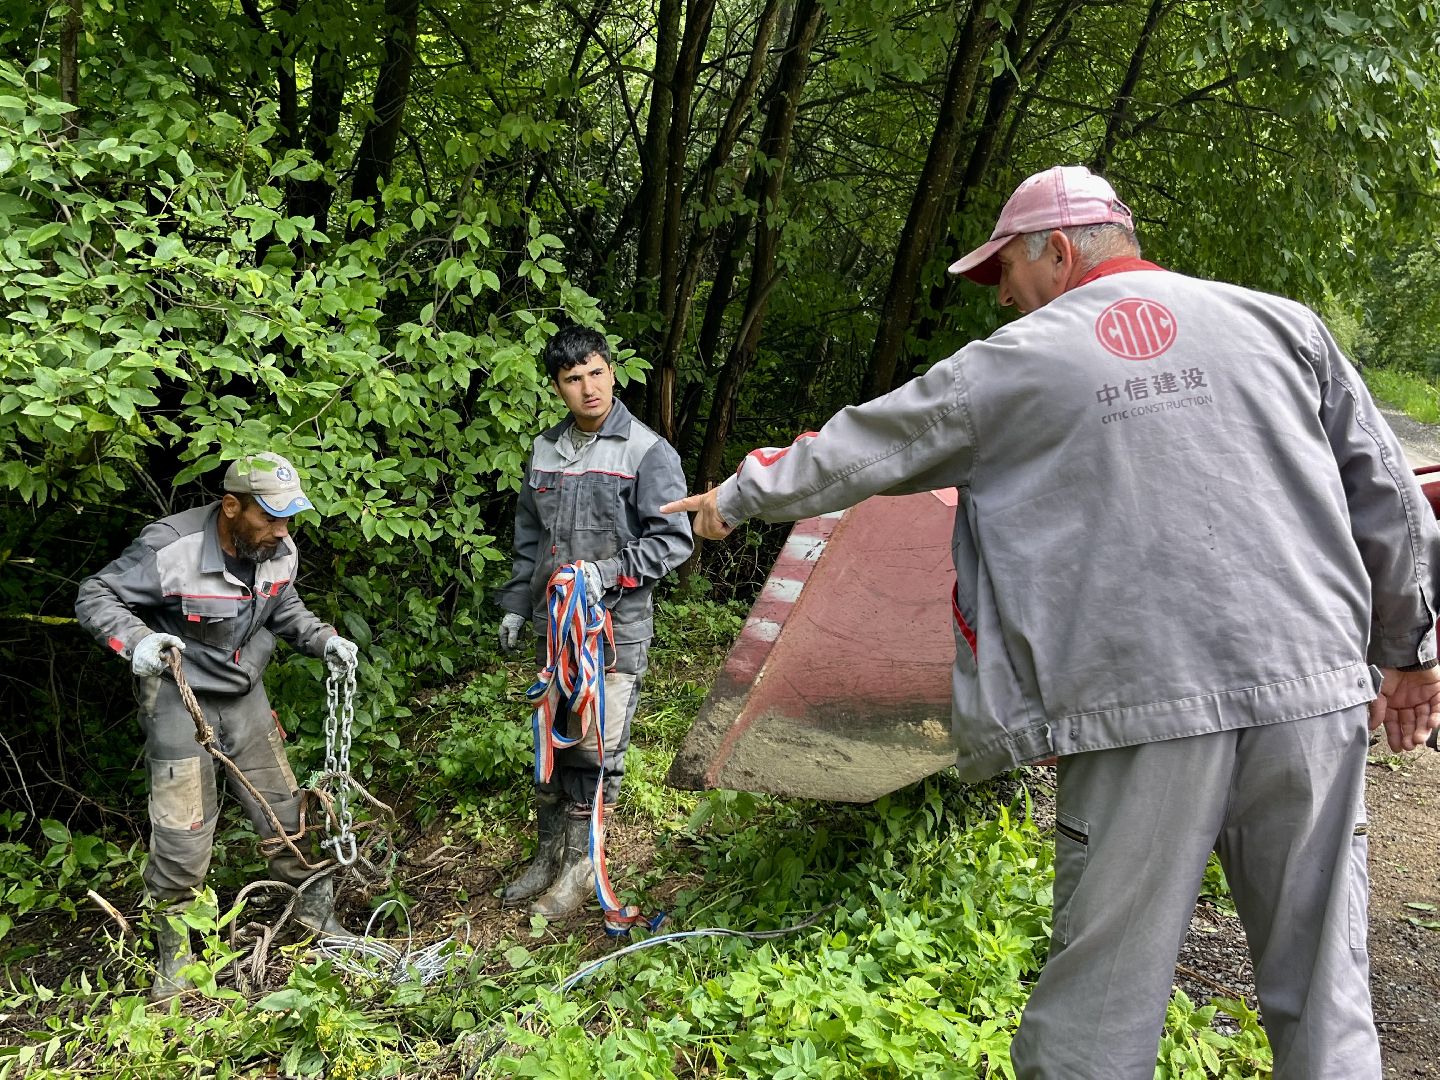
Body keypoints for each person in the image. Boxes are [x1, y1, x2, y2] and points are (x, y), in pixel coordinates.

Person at [662, 165, 1440, 1079]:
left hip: (1133, 710)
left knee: (1101, 1005)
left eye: (1005, 276)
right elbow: (1387, 495)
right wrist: (1411, 652)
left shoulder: (1012, 366)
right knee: (1325, 994)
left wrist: (735, 497)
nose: (1002, 301)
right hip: (1311, 693)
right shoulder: (1284, 326)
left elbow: (857, 449)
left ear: (1058, 249)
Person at [76, 451, 362, 1000]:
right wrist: (137, 644)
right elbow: (95, 594)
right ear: (231, 506)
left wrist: (324, 639)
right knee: (183, 830)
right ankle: (176, 961)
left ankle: (316, 921)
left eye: (289, 518)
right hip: (177, 696)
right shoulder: (171, 549)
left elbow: (283, 607)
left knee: (285, 808)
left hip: (243, 691)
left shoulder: (278, 546)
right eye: (269, 517)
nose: (282, 531)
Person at [495, 324, 693, 917]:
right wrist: (513, 604)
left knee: (594, 749)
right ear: (557, 387)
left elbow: (672, 541)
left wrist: (605, 574)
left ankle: (582, 871)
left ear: (612, 371)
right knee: (550, 742)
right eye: (573, 378)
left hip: (611, 632)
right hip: (551, 630)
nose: (588, 388)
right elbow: (529, 538)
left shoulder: (647, 451)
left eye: (596, 373)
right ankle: (547, 857)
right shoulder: (545, 450)